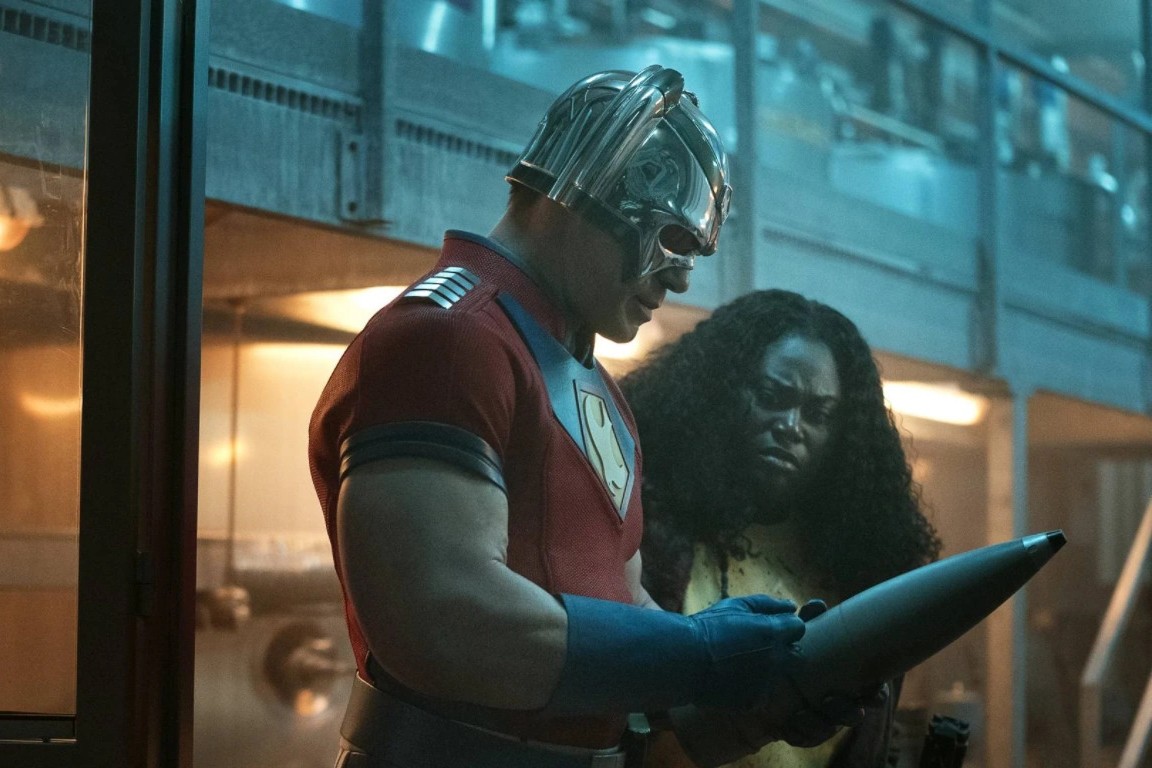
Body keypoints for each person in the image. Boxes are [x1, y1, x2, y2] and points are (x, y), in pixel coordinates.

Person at [308, 67, 876, 768]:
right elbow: (441, 620)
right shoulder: (446, 339)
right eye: (671, 237)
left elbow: (622, 613)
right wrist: (696, 651)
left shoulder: (592, 387)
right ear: (583, 197)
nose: (681, 276)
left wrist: (761, 699)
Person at [620, 289, 943, 768]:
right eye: (773, 398)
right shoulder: (643, 524)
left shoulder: (864, 566)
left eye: (818, 414)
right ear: (720, 392)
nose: (791, 426)